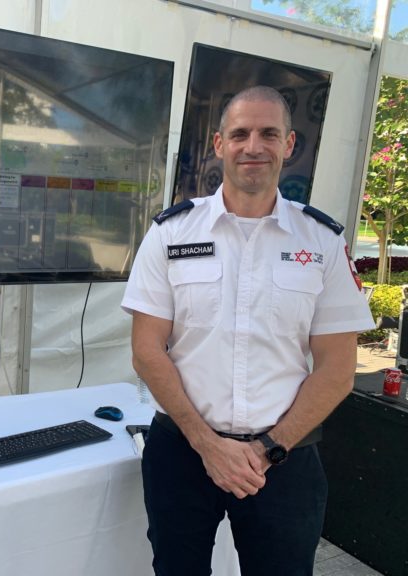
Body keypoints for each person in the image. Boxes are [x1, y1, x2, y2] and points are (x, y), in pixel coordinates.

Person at [121, 86, 375, 576]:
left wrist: (266, 450)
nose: (252, 146)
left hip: (284, 459)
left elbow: (338, 368)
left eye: (268, 134)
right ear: (220, 144)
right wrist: (207, 444)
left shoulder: (321, 241)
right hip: (183, 451)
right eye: (239, 134)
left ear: (289, 144)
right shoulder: (172, 233)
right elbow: (147, 350)